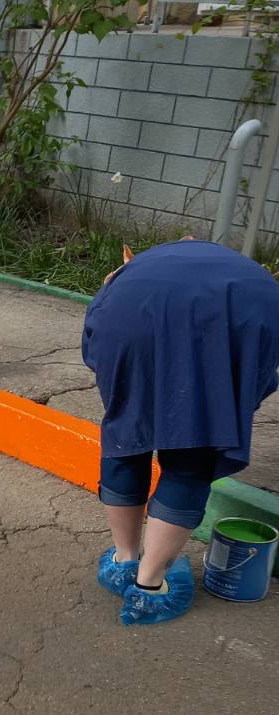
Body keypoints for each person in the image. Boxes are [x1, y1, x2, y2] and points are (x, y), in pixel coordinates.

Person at [83, 238, 279, 626]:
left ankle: (124, 561)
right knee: (193, 451)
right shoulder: (257, 286)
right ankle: (150, 587)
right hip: (227, 320)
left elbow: (95, 342)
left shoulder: (135, 269)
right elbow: (256, 374)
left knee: (128, 435)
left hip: (126, 315)